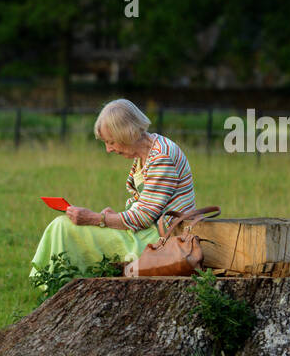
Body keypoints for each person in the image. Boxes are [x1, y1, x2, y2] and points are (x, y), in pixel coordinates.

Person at [29, 98, 197, 281]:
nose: (108, 149)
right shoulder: (147, 153)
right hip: (148, 232)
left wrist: (97, 219)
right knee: (63, 226)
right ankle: (58, 285)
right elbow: (147, 208)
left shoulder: (161, 157)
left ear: (128, 134)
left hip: (162, 241)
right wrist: (114, 217)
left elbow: (144, 217)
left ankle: (58, 284)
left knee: (65, 228)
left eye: (111, 142)